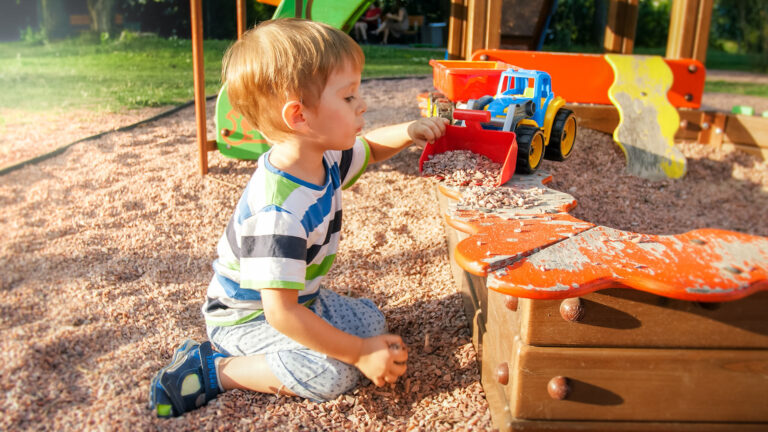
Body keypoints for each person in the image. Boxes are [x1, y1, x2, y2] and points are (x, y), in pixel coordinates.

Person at [147, 18, 449, 418]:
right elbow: (280, 313)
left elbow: (370, 149)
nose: (362, 105)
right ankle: (215, 368)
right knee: (334, 373)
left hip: (302, 297)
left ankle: (331, 340)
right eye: (348, 97)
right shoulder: (278, 212)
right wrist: (358, 353)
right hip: (249, 318)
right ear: (300, 117)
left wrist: (410, 131)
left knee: (374, 323)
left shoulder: (321, 156)